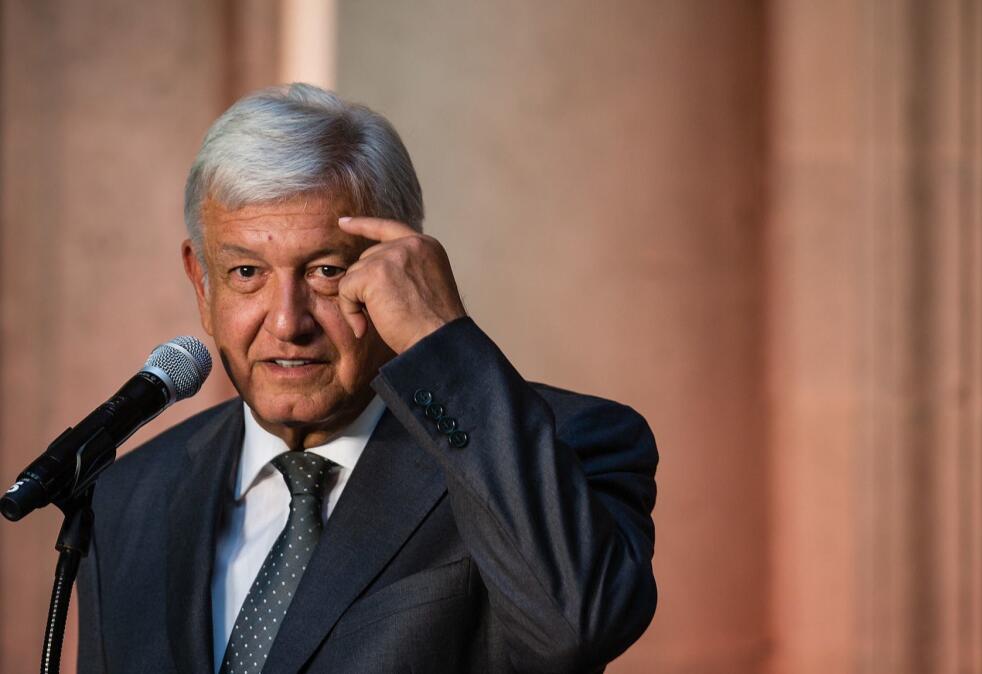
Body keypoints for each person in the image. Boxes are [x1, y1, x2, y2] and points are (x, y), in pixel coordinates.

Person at [75, 83, 658, 674]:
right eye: (246, 271)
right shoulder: (129, 497)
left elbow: (575, 629)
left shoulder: (566, 445)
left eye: (327, 271)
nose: (287, 322)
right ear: (202, 283)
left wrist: (439, 337)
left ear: (399, 267)